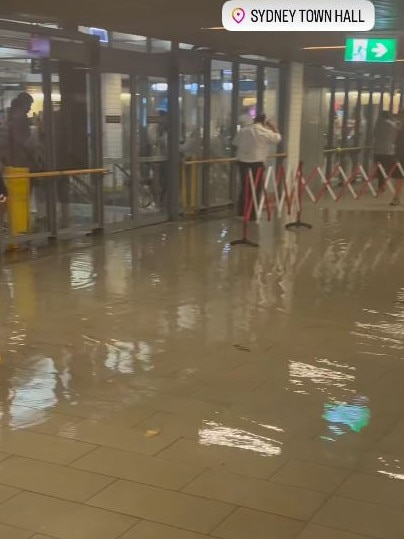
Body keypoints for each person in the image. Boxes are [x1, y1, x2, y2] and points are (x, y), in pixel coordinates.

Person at [232, 113, 281, 218]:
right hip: (256, 164)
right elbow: (277, 138)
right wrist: (273, 127)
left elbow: (235, 143)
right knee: (255, 189)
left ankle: (241, 212)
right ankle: (252, 214)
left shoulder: (243, 130)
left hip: (242, 163)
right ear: (264, 122)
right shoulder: (264, 132)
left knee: (244, 188)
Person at [373, 111, 398, 191]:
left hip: (378, 150)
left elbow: (374, 133)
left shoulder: (379, 124)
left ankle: (381, 185)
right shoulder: (393, 125)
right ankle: (383, 184)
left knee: (380, 169)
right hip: (389, 150)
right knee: (385, 168)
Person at [390, 109, 404, 206]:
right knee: (398, 177)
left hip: (400, 153)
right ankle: (396, 197)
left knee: (399, 177)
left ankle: (396, 197)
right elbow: (393, 140)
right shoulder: (398, 128)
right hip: (400, 154)